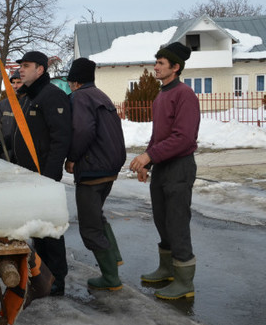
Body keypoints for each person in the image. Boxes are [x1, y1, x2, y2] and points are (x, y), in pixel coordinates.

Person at [129, 42, 199, 300]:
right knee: (161, 218)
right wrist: (147, 162)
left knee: (177, 222)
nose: (155, 67)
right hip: (163, 167)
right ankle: (167, 269)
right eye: (156, 62)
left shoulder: (184, 95)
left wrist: (150, 155)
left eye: (160, 63)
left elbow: (183, 137)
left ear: (176, 67)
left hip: (179, 167)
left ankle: (184, 282)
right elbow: (158, 136)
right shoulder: (162, 95)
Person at [10, 51, 72, 296]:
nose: (21, 70)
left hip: (43, 177)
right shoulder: (28, 96)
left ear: (41, 69)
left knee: (50, 231)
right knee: (38, 230)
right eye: (21, 66)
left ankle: (56, 280)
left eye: (26, 66)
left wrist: (48, 175)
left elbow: (60, 139)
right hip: (29, 177)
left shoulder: (52, 96)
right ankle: (42, 276)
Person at [64, 58, 126, 291]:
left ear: (74, 81)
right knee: (97, 217)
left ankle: (111, 278)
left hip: (92, 169)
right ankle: (114, 258)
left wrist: (72, 157)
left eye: (70, 82)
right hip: (109, 167)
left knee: (89, 227)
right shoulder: (101, 95)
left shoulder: (80, 97)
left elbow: (82, 130)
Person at [0, 70, 24, 158]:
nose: (15, 86)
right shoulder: (3, 106)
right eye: (13, 83)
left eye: (19, 82)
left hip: (26, 159)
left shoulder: (32, 104)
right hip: (6, 157)